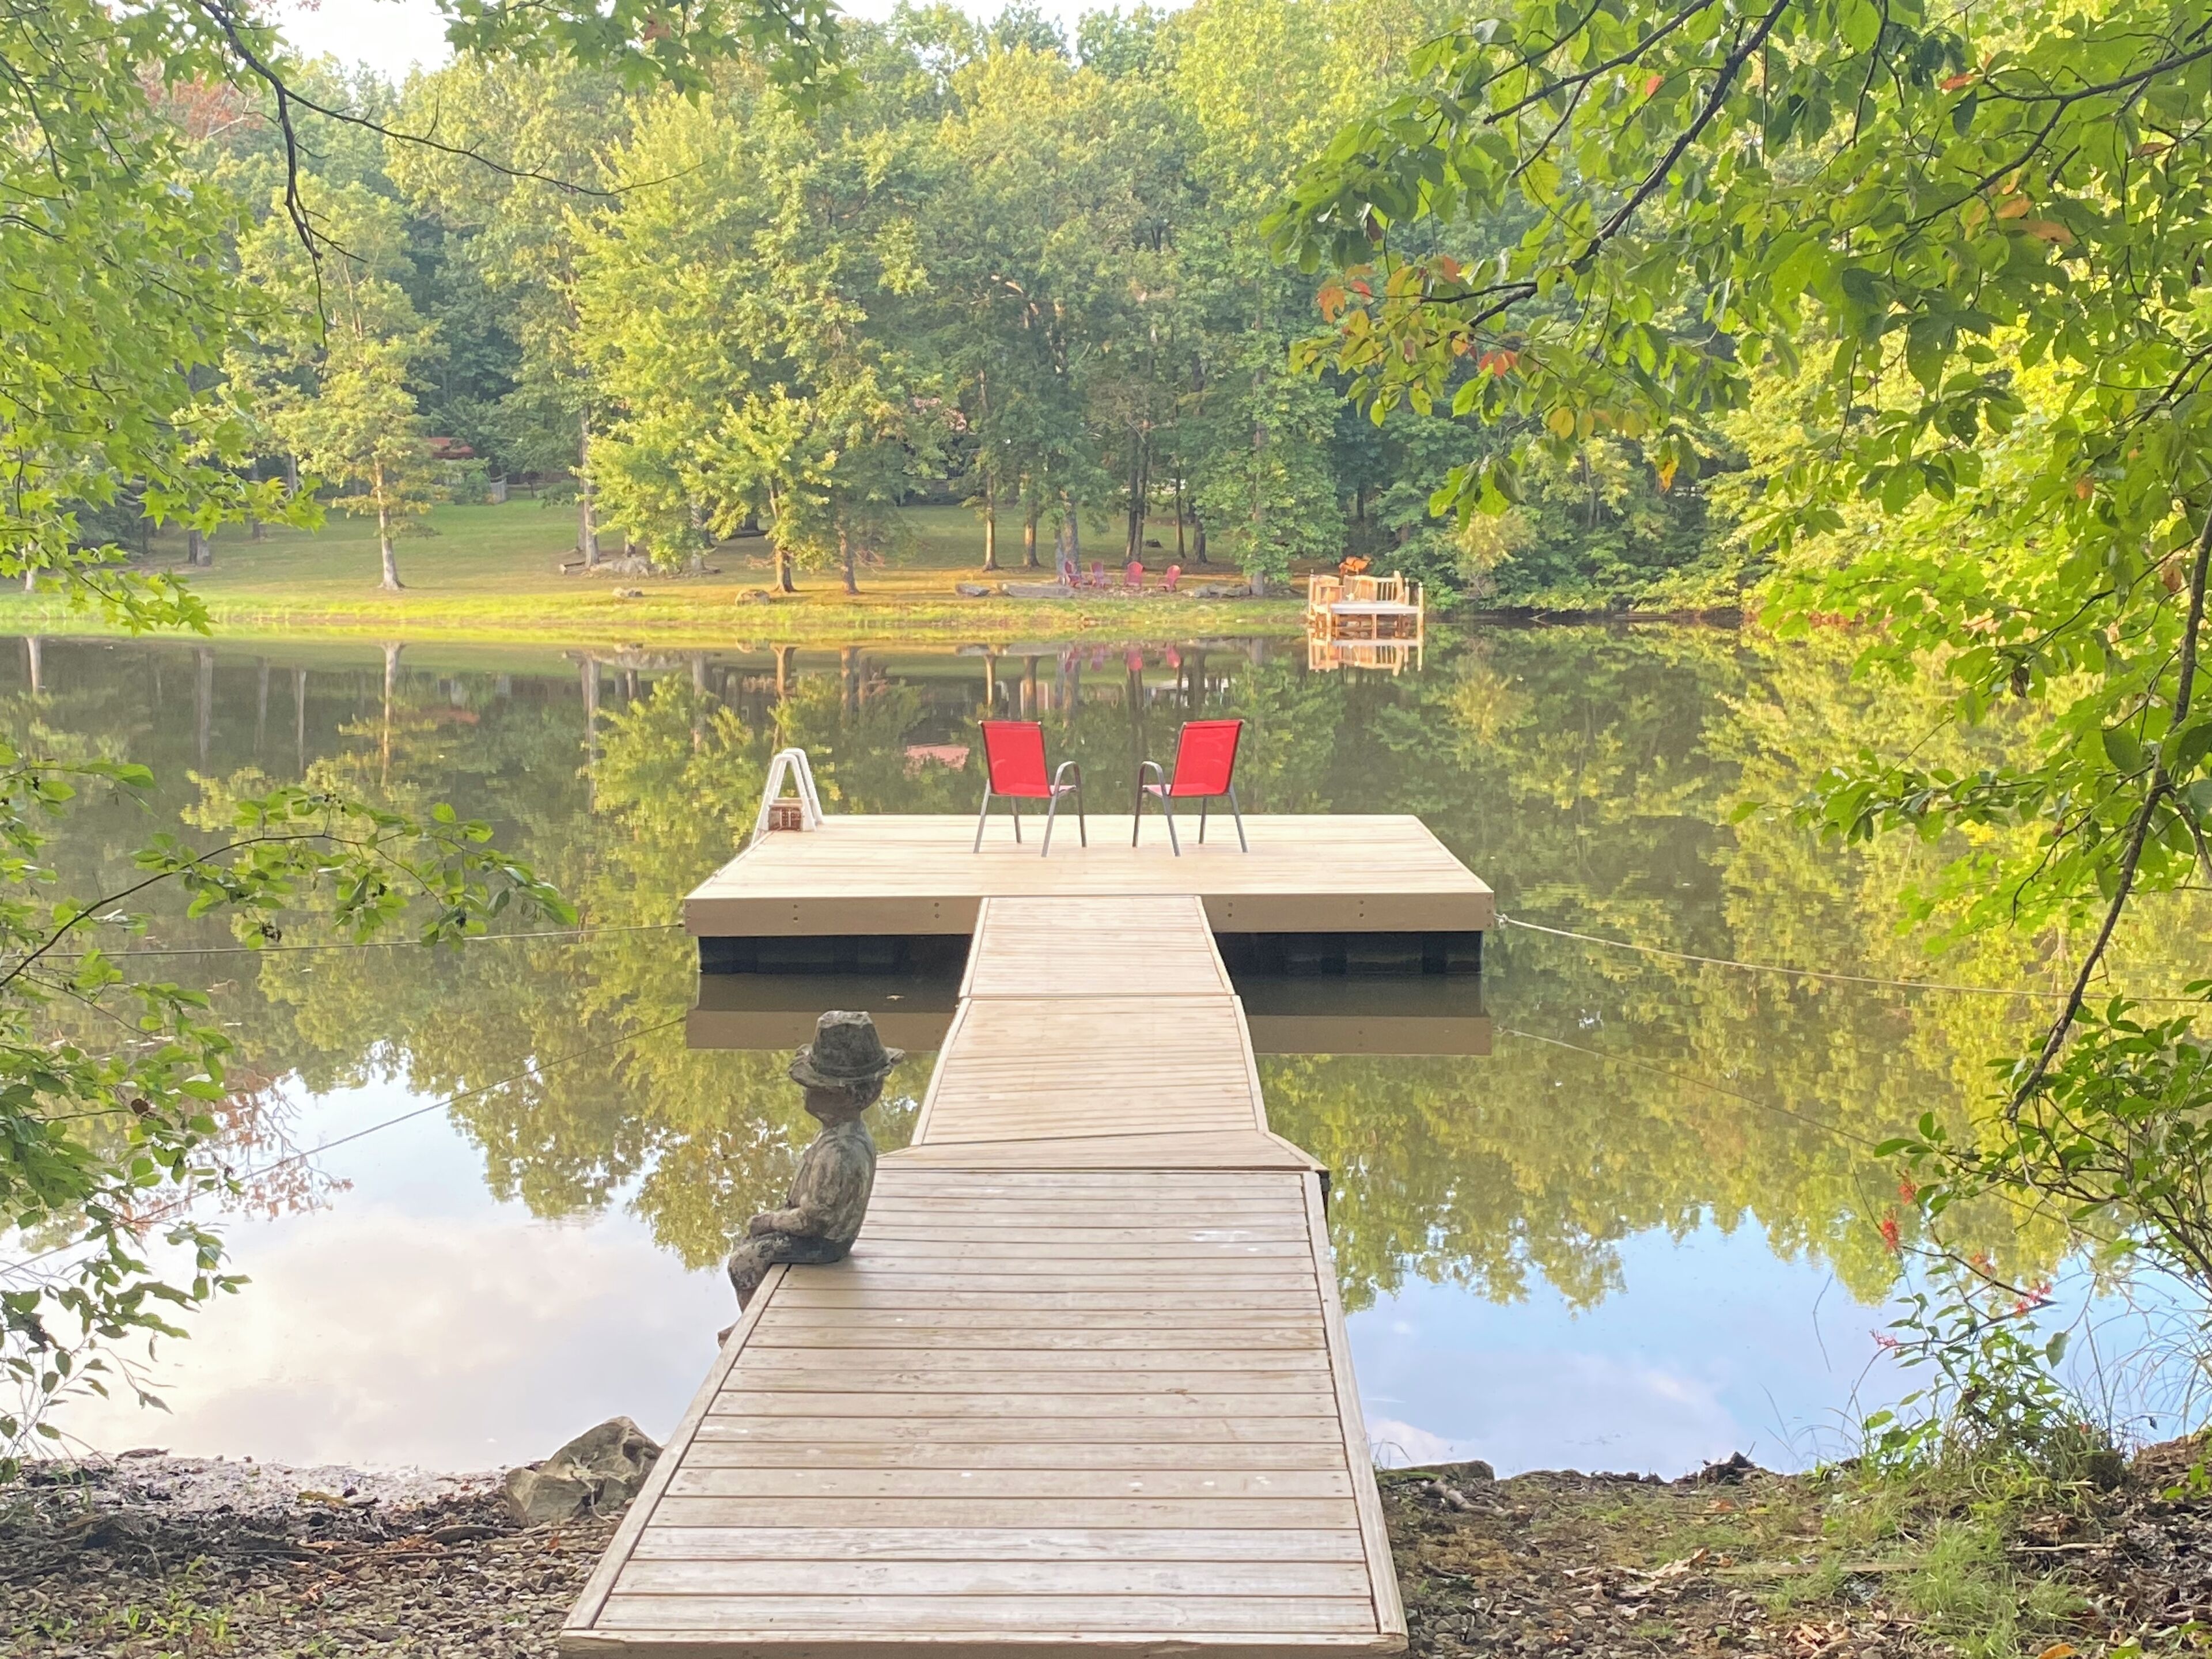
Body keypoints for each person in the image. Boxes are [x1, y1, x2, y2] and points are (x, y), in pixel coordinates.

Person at [724, 1010, 903, 1309]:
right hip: (822, 1230)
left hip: (825, 1242)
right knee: (751, 1240)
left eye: (814, 1087)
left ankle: (751, 1321)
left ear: (843, 1095)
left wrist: (770, 1220)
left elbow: (813, 1220)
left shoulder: (841, 1152)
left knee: (744, 1260)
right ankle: (752, 1312)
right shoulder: (840, 1135)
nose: (806, 1093)